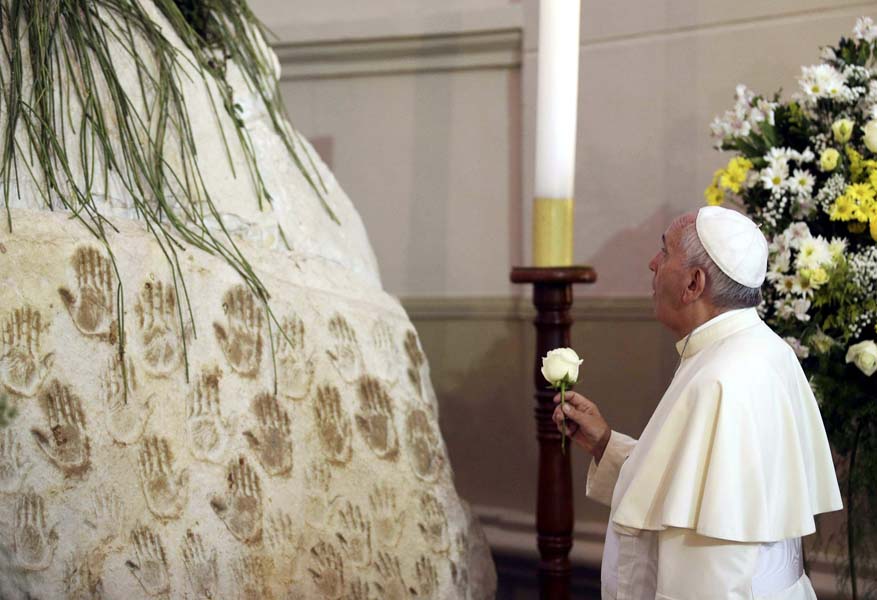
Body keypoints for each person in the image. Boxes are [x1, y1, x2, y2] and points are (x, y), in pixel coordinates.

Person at [554, 206, 842, 600]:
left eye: (664, 252)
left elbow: (715, 570)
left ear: (693, 283)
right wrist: (605, 442)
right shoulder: (758, 350)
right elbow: (689, 484)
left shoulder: (722, 378)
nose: (652, 263)